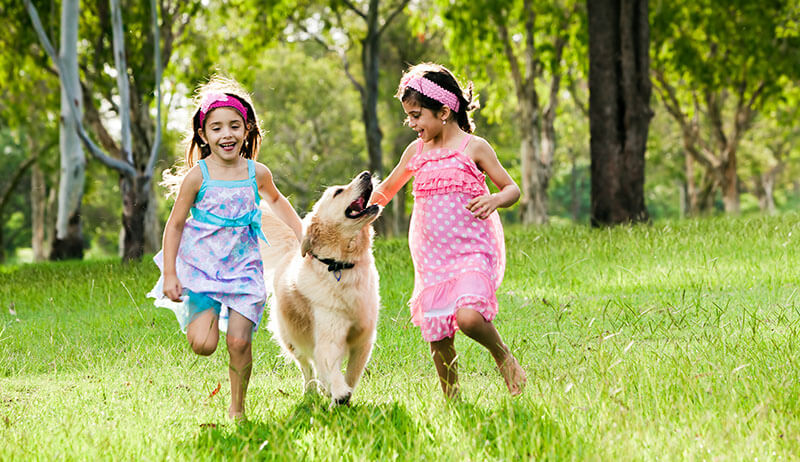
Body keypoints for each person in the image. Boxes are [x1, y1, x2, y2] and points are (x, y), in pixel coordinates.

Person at [148, 76, 303, 419]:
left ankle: (237, 408)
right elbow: (175, 225)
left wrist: (302, 234)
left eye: (234, 126)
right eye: (216, 128)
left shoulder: (257, 173)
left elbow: (278, 202)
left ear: (247, 129)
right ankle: (203, 313)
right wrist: (171, 273)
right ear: (203, 135)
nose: (226, 134)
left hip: (244, 269)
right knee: (204, 345)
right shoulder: (197, 176)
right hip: (202, 269)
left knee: (239, 342)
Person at [370, 63, 526, 399]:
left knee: (469, 318)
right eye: (408, 117)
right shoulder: (416, 152)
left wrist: (495, 199)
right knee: (439, 337)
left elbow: (512, 189)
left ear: (443, 112)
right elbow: (387, 190)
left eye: (416, 116)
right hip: (432, 259)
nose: (412, 124)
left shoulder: (474, 147)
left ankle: (503, 356)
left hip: (472, 251)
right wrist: (354, 212)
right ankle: (453, 403)